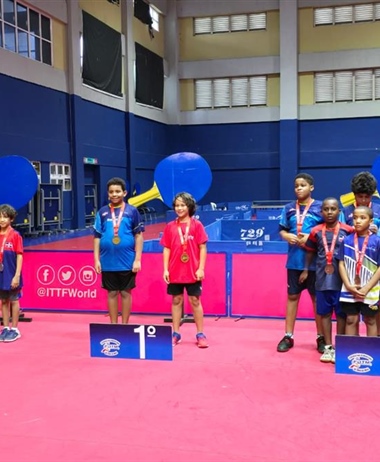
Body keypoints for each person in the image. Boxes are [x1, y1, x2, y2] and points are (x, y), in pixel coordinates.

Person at [277, 173, 325, 353]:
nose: (299, 188)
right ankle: (288, 336)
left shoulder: (320, 207)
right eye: (296, 185)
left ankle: (320, 337)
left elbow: (328, 229)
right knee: (292, 298)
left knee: (315, 299)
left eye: (303, 185)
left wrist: (312, 236)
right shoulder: (289, 208)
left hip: (315, 263)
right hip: (294, 262)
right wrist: (286, 235)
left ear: (311, 187)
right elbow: (282, 229)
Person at [303, 198, 353, 363]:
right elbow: (310, 252)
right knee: (324, 314)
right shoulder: (315, 231)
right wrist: (305, 270)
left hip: (342, 282)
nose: (330, 212)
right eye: (326, 209)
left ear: (339, 211)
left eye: (333, 209)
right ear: (321, 212)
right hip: (322, 280)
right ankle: (328, 347)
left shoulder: (348, 231)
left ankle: (339, 346)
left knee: (341, 315)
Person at [160, 192, 209, 348]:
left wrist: (201, 268)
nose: (179, 208)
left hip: (193, 271)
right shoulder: (170, 227)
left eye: (183, 205)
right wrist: (165, 269)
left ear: (189, 206)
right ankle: (175, 333)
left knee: (195, 301)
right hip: (175, 270)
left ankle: (200, 334)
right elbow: (166, 249)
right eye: (177, 205)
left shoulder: (197, 225)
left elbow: (203, 248)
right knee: (176, 300)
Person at [94, 177, 144, 324]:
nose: (114, 194)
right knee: (111, 292)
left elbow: (139, 235)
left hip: (127, 260)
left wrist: (138, 259)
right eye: (111, 192)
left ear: (124, 193)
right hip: (107, 261)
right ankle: (114, 325)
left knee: (125, 292)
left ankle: (125, 325)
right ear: (108, 194)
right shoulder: (102, 212)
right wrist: (96, 259)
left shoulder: (132, 211)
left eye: (117, 191)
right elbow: (97, 237)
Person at [341, 171, 380, 335]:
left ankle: (374, 349)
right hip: (352, 267)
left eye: (367, 196)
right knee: (351, 316)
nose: (363, 200)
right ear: (354, 195)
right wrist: (355, 230)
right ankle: (350, 347)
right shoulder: (346, 211)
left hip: (374, 266)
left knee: (374, 314)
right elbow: (341, 235)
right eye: (360, 196)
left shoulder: (378, 210)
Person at [0, 204, 23, 342]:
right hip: (1, 275)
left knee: (14, 301)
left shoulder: (15, 235)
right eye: (0, 217)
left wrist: (17, 275)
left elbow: (20, 255)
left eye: (4, 217)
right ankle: (6, 328)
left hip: (12, 273)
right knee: (3, 301)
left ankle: (15, 329)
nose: (1, 220)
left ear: (11, 219)